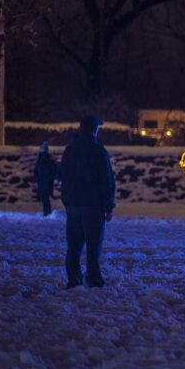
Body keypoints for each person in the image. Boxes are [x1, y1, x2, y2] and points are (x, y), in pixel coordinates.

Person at [58, 115, 116, 288]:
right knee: (93, 245)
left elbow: (63, 176)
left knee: (74, 245)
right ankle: (93, 278)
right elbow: (106, 180)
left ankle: (74, 278)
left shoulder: (70, 149)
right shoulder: (98, 150)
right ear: (95, 129)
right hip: (93, 205)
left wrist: (67, 200)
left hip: (74, 205)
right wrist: (108, 205)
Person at [35, 141, 58, 216]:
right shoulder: (48, 158)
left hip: (43, 181)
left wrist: (38, 177)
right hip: (46, 181)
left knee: (45, 198)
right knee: (46, 198)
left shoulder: (42, 159)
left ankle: (47, 212)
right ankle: (47, 212)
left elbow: (36, 170)